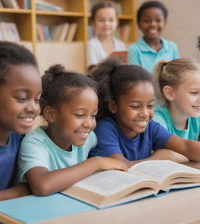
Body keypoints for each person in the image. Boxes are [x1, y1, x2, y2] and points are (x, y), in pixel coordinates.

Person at [89, 57, 200, 176]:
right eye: (135, 106)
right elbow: (120, 167)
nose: (145, 113)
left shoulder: (150, 126)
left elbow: (185, 145)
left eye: (150, 106)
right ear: (113, 106)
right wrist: (156, 159)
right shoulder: (105, 129)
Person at [18, 64, 127, 196]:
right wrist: (96, 163)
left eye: (93, 115)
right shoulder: (35, 143)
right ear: (50, 115)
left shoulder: (88, 138)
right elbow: (42, 185)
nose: (89, 124)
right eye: (80, 115)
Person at [0, 41, 42, 203]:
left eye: (37, 99)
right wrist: (24, 190)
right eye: (21, 98)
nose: (33, 108)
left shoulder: (20, 136)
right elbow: (30, 187)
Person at [128, 0, 179, 73]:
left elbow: (177, 74)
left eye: (158, 20)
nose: (153, 24)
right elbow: (135, 78)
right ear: (138, 24)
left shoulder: (172, 47)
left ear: (164, 23)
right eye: (147, 20)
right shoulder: (134, 49)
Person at [86, 1, 126, 69]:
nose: (106, 24)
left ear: (117, 23)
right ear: (93, 24)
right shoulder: (92, 44)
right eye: (101, 20)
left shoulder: (121, 44)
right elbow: (92, 69)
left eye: (111, 20)